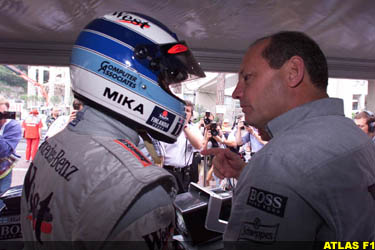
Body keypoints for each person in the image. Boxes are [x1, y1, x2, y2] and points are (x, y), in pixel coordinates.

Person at [20, 11, 205, 248]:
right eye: (166, 81)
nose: (171, 92)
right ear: (129, 77)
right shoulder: (139, 188)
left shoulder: (55, 143)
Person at [201, 31, 375, 243]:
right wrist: (248, 174)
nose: (236, 93)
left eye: (247, 78)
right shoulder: (352, 135)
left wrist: (263, 175)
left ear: (293, 72)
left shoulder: (278, 162)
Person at [159, 100, 203, 194]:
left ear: (191, 115)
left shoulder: (193, 129)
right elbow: (160, 156)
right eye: (182, 110)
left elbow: (199, 146)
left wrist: (185, 127)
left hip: (186, 173)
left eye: (187, 111)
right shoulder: (168, 127)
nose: (185, 113)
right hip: (168, 171)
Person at [0, 95, 22, 207]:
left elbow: (4, 151)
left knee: (2, 201)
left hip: (3, 170)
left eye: (3, 113)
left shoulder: (13, 126)